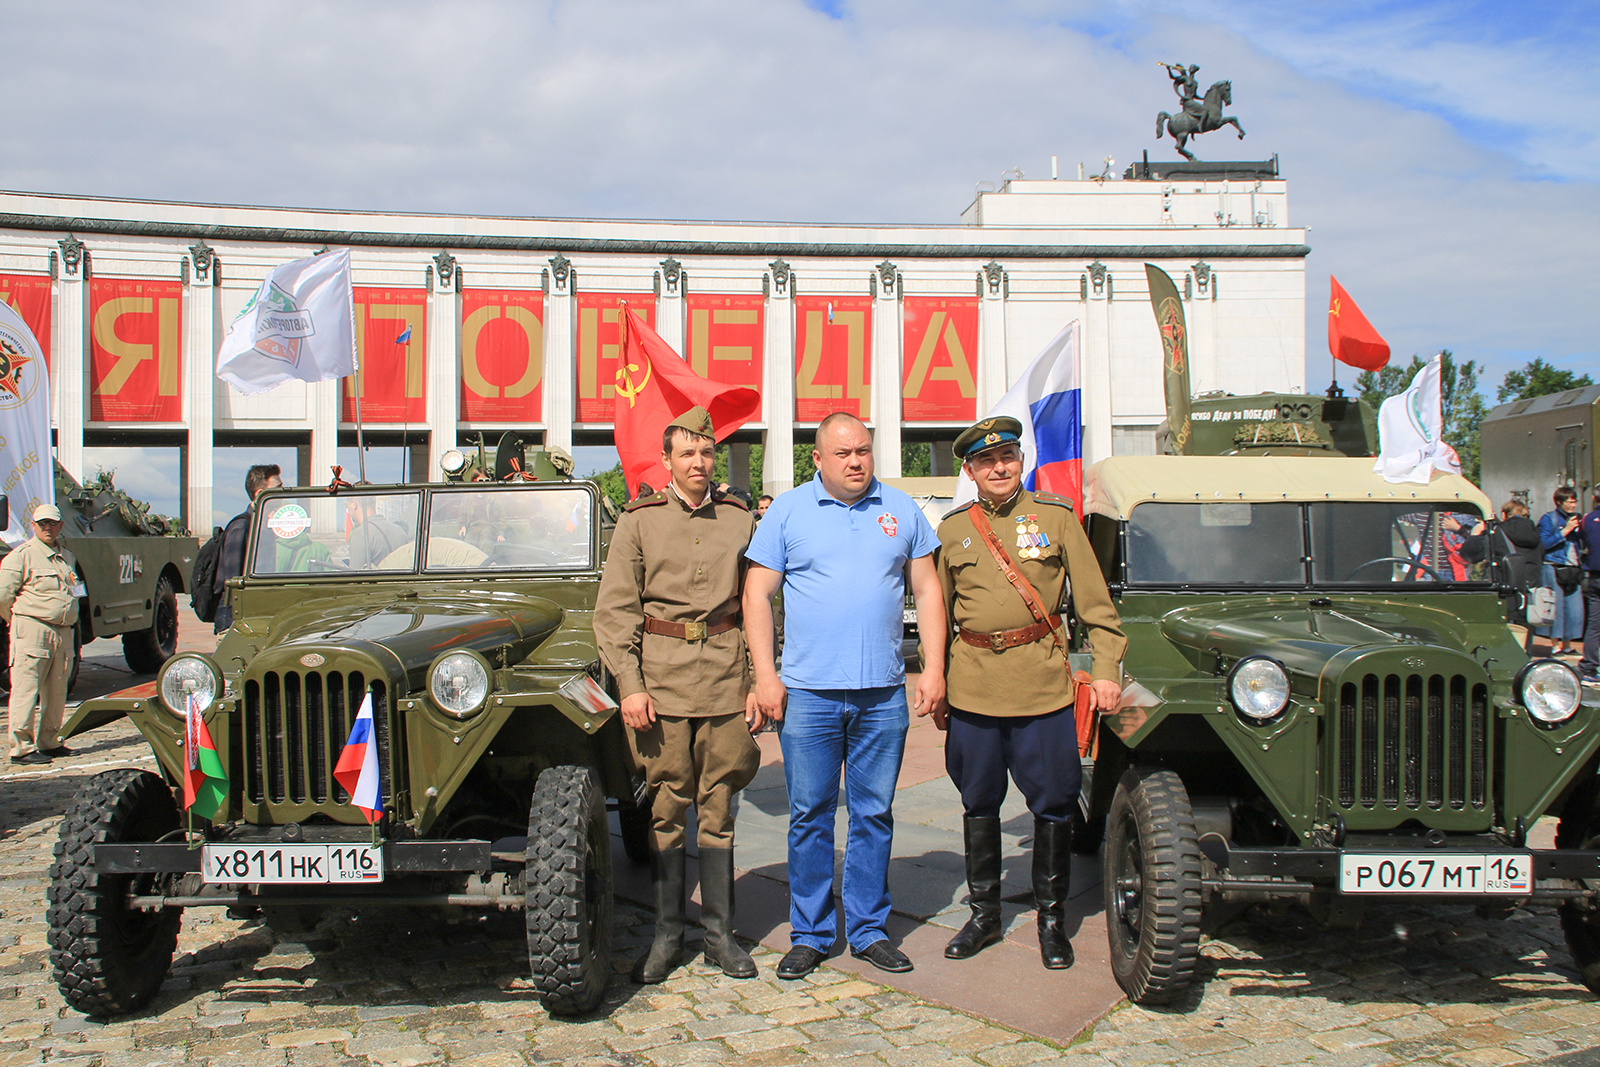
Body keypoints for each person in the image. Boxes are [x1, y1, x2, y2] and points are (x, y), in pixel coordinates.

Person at [743, 412, 947, 979]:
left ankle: (868, 928)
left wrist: (934, 668)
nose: (856, 461)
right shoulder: (787, 511)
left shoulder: (902, 509)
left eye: (863, 450)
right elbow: (756, 594)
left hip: (882, 693)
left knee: (873, 813)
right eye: (843, 453)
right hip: (809, 695)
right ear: (817, 458)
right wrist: (765, 675)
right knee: (809, 815)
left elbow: (928, 589)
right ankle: (810, 933)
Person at [932, 418, 1126, 969]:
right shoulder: (952, 531)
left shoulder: (1056, 518)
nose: (999, 468)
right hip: (973, 688)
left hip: (1042, 686)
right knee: (978, 802)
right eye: (986, 461)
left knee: (1055, 803)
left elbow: (1095, 603)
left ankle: (1051, 920)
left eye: (1008, 457)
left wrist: (1106, 670)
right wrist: (936, 679)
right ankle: (984, 916)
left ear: (1020, 460)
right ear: (970, 470)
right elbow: (938, 614)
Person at [593, 407, 765, 983]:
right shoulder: (639, 521)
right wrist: (630, 685)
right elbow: (616, 611)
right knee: (667, 808)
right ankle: (667, 936)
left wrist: (758, 680)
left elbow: (760, 603)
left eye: (707, 452)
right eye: (687, 452)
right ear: (666, 459)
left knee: (719, 807)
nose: (699, 462)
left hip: (724, 678)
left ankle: (719, 935)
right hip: (661, 683)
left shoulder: (739, 519)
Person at [0, 504, 80, 765]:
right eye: (42, 523)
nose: (48, 527)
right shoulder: (21, 556)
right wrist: (18, 620)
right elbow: (3, 596)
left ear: (60, 526)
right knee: (26, 688)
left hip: (63, 631)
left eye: (52, 523)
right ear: (33, 526)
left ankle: (50, 741)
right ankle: (21, 747)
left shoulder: (67, 556)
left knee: (57, 689)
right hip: (33, 629)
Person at [214, 464, 282, 632]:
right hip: (237, 616)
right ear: (260, 494)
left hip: (255, 611)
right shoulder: (241, 528)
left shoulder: (261, 526)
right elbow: (234, 583)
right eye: (278, 488)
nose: (283, 493)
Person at [1536, 488, 1585, 656]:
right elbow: (1544, 543)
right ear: (1559, 502)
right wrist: (1565, 530)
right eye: (1570, 502)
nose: (1573, 505)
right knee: (1555, 608)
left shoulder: (1576, 518)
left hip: (1573, 567)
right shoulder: (1549, 518)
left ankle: (1567, 645)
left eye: (1574, 501)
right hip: (1554, 566)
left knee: (1574, 609)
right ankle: (1555, 646)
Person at [346, 497, 407, 568]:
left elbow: (355, 572)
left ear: (354, 504)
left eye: (347, 506)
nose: (348, 511)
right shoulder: (399, 530)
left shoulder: (360, 534)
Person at [1578, 490, 1600, 684]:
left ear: (1594, 498)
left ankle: (1589, 669)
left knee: (1594, 624)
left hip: (1594, 577)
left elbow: (1582, 538)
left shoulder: (1587, 519)